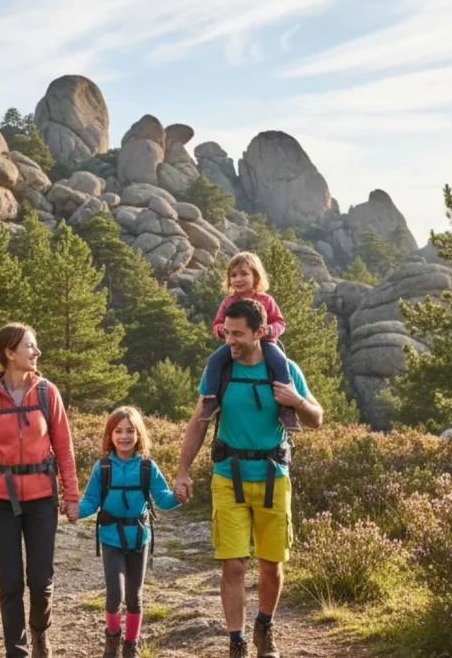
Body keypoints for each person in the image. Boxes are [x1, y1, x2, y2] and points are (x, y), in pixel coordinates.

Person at [173, 299, 323, 658]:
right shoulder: (221, 370)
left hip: (274, 476)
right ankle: (236, 641)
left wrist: (296, 401)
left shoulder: (285, 369)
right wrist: (182, 471)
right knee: (234, 563)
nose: (230, 340)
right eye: (226, 332)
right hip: (228, 475)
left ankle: (264, 627)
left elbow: (317, 417)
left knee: (271, 566)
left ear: (260, 333)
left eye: (238, 334)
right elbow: (198, 423)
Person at [0, 323, 80, 658]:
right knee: (10, 582)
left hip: (42, 499)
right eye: (30, 346)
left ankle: (40, 632)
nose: (36, 352)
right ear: (9, 354)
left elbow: (65, 448)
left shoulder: (47, 392)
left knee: (40, 581)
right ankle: (17, 651)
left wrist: (71, 496)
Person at [77, 406, 181, 658]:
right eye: (118, 431)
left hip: (139, 537)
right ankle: (112, 639)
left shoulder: (147, 467)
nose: (124, 436)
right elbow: (90, 502)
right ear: (110, 435)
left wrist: (180, 496)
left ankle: (130, 646)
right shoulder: (102, 467)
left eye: (130, 431)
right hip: (110, 537)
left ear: (139, 434)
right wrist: (71, 510)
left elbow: (164, 500)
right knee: (115, 595)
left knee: (134, 598)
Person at [200, 252, 301, 432]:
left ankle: (286, 409)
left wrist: (270, 330)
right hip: (236, 343)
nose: (238, 279)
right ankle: (210, 400)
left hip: (266, 343)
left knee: (280, 363)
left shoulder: (266, 300)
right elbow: (217, 323)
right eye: (233, 275)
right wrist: (221, 331)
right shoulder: (228, 302)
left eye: (244, 274)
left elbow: (280, 322)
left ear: (256, 276)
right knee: (214, 360)